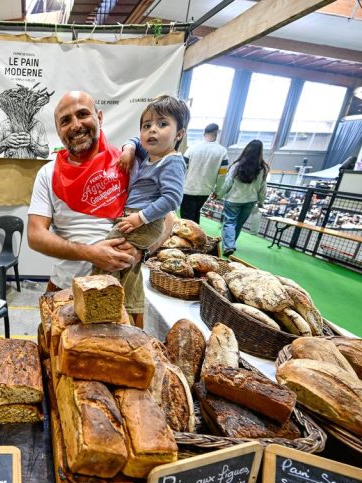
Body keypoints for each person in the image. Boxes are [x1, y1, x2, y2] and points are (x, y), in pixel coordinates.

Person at [27, 91, 172, 327]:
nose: (75, 125)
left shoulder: (130, 164)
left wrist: (142, 252)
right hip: (65, 289)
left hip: (121, 294)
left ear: (100, 117)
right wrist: (90, 253)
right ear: (58, 130)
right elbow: (35, 235)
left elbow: (168, 220)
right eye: (65, 120)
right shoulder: (48, 173)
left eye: (83, 114)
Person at [100, 95, 189, 292]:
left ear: (179, 134)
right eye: (146, 125)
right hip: (136, 217)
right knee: (125, 264)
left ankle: (102, 295)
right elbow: (134, 140)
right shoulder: (151, 153)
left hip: (145, 221)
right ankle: (123, 299)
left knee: (107, 254)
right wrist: (129, 149)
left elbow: (172, 199)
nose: (152, 130)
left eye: (163, 124)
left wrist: (140, 218)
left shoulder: (172, 161)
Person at [217, 139, 269, 257]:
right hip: (250, 200)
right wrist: (261, 201)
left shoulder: (237, 165)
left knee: (229, 222)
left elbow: (228, 182)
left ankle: (229, 246)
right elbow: (263, 187)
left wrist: (219, 195)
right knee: (239, 224)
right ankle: (230, 244)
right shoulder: (262, 168)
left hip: (233, 199)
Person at [180, 123, 228, 224]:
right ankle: (196, 233)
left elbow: (182, 169)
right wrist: (218, 191)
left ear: (204, 133)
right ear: (217, 133)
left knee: (186, 219)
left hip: (188, 189)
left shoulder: (192, 148)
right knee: (196, 214)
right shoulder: (222, 151)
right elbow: (222, 175)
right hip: (206, 190)